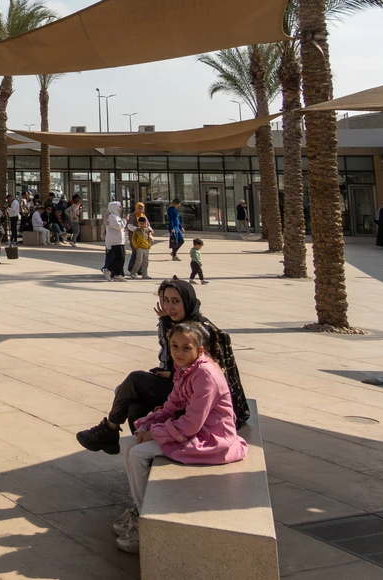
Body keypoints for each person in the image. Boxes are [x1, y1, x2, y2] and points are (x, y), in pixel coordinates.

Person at [113, 319, 248, 554]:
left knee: (137, 454)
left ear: (200, 350)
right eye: (174, 346)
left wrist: (155, 433)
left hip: (213, 440)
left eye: (186, 348)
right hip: (192, 431)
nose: (178, 352)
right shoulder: (185, 370)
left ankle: (147, 520)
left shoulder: (205, 375)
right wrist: (147, 424)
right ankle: (139, 510)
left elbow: (192, 423)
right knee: (129, 444)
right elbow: (171, 405)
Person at [76, 277, 249, 455]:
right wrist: (166, 324)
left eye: (175, 301)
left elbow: (203, 371)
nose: (169, 307)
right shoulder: (179, 323)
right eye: (165, 300)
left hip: (198, 396)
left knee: (135, 380)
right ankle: (141, 454)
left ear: (187, 301)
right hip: (181, 385)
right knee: (135, 405)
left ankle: (110, 429)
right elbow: (173, 360)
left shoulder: (198, 330)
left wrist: (171, 367)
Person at [102, 201, 128, 281]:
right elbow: (118, 226)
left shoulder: (116, 216)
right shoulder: (112, 217)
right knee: (119, 258)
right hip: (115, 240)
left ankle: (118, 274)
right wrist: (125, 219)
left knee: (122, 257)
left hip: (119, 240)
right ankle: (108, 270)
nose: (120, 209)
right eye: (119, 207)